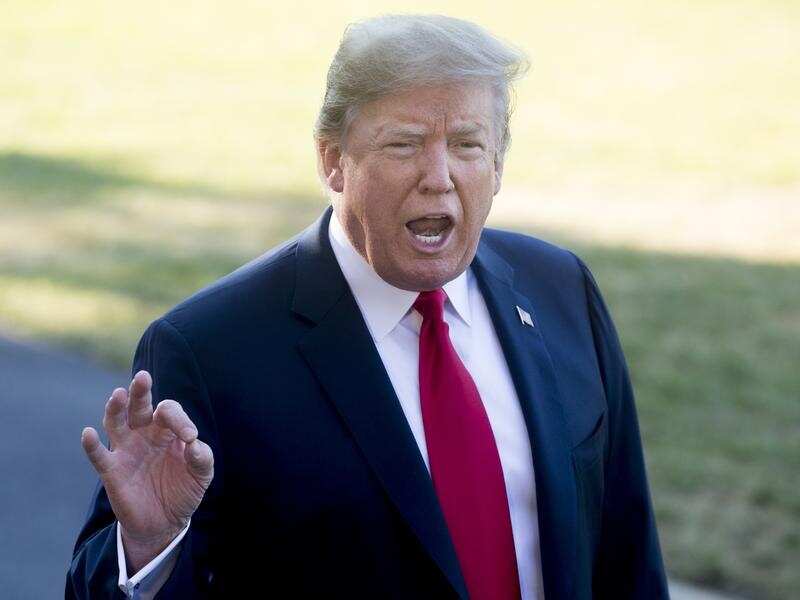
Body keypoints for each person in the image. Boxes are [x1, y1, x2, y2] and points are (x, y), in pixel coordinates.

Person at [66, 14, 668, 600]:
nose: (439, 176)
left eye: (467, 144)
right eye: (404, 144)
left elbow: (627, 555)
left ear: (499, 163)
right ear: (332, 160)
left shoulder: (561, 290)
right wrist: (150, 547)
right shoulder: (209, 350)